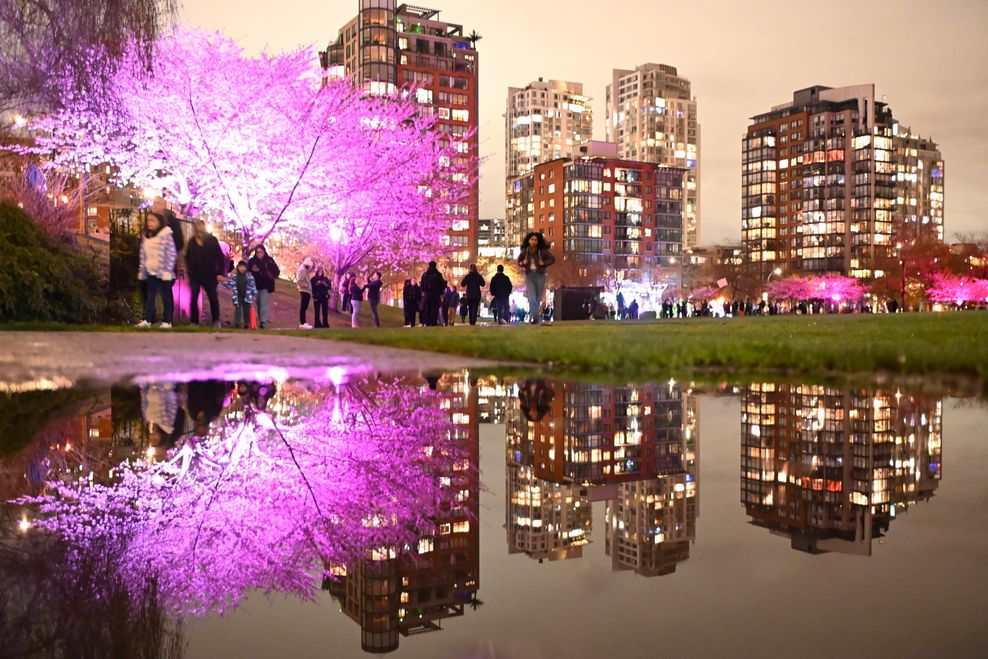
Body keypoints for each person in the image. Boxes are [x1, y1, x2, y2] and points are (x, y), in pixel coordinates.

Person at [137, 211, 177, 328]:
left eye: (152, 220)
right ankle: (147, 320)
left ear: (159, 222)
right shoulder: (146, 236)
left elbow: (171, 254)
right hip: (150, 271)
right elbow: (142, 254)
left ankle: (167, 321)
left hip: (163, 272)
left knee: (166, 297)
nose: (149, 223)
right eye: (148, 220)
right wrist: (142, 269)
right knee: (150, 297)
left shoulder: (166, 235)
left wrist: (167, 270)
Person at [184, 219, 225, 328]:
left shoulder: (211, 240)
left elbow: (220, 257)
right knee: (193, 297)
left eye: (201, 225)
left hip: (209, 274)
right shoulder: (192, 241)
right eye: (197, 226)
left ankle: (216, 321)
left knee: (212, 297)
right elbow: (187, 256)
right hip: (195, 274)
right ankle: (194, 322)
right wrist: (190, 270)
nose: (199, 228)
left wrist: (220, 272)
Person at [517, 232, 555, 325]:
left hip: (540, 275)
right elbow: (519, 262)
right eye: (532, 239)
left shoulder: (542, 251)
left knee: (537, 298)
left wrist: (544, 263)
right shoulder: (525, 251)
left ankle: (533, 317)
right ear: (528, 241)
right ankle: (535, 318)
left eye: (536, 240)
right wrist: (523, 263)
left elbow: (552, 259)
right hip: (529, 275)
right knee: (532, 298)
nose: (534, 241)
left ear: (538, 241)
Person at [247, 245, 280, 329]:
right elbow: (247, 272)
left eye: (261, 252)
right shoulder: (252, 261)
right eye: (257, 252)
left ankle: (263, 322)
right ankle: (261, 320)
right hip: (255, 286)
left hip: (266, 286)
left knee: (263, 303)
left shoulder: (269, 260)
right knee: (258, 304)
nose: (259, 254)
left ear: (264, 252)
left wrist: (262, 270)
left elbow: (276, 272)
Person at [221, 260, 257, 328]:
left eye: (243, 267)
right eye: (240, 267)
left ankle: (247, 323)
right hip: (237, 296)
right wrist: (222, 281)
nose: (242, 268)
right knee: (238, 309)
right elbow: (229, 284)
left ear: (246, 268)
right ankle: (237, 323)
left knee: (246, 310)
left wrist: (254, 295)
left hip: (247, 296)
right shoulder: (234, 277)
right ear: (238, 267)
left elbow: (253, 286)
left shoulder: (249, 277)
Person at [420, 261, 446, 327]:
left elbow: (422, 284)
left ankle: (427, 322)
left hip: (427, 294)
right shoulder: (438, 275)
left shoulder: (425, 274)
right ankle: (433, 322)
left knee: (427, 308)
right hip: (435, 294)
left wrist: (423, 291)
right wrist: (441, 293)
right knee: (435, 309)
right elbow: (441, 285)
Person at [296, 257, 313, 329]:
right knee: (303, 306)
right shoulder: (302, 270)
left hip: (306, 290)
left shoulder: (304, 270)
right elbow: (299, 281)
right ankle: (302, 322)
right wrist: (306, 285)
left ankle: (303, 322)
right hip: (304, 290)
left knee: (304, 307)